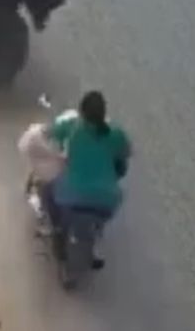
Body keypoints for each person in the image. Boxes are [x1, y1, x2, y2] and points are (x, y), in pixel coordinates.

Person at [44, 91, 131, 268]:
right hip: (108, 202)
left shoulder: (73, 126)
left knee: (47, 192)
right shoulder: (116, 133)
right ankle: (96, 231)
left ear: (82, 112)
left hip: (71, 197)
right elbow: (125, 156)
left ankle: (59, 231)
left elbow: (48, 133)